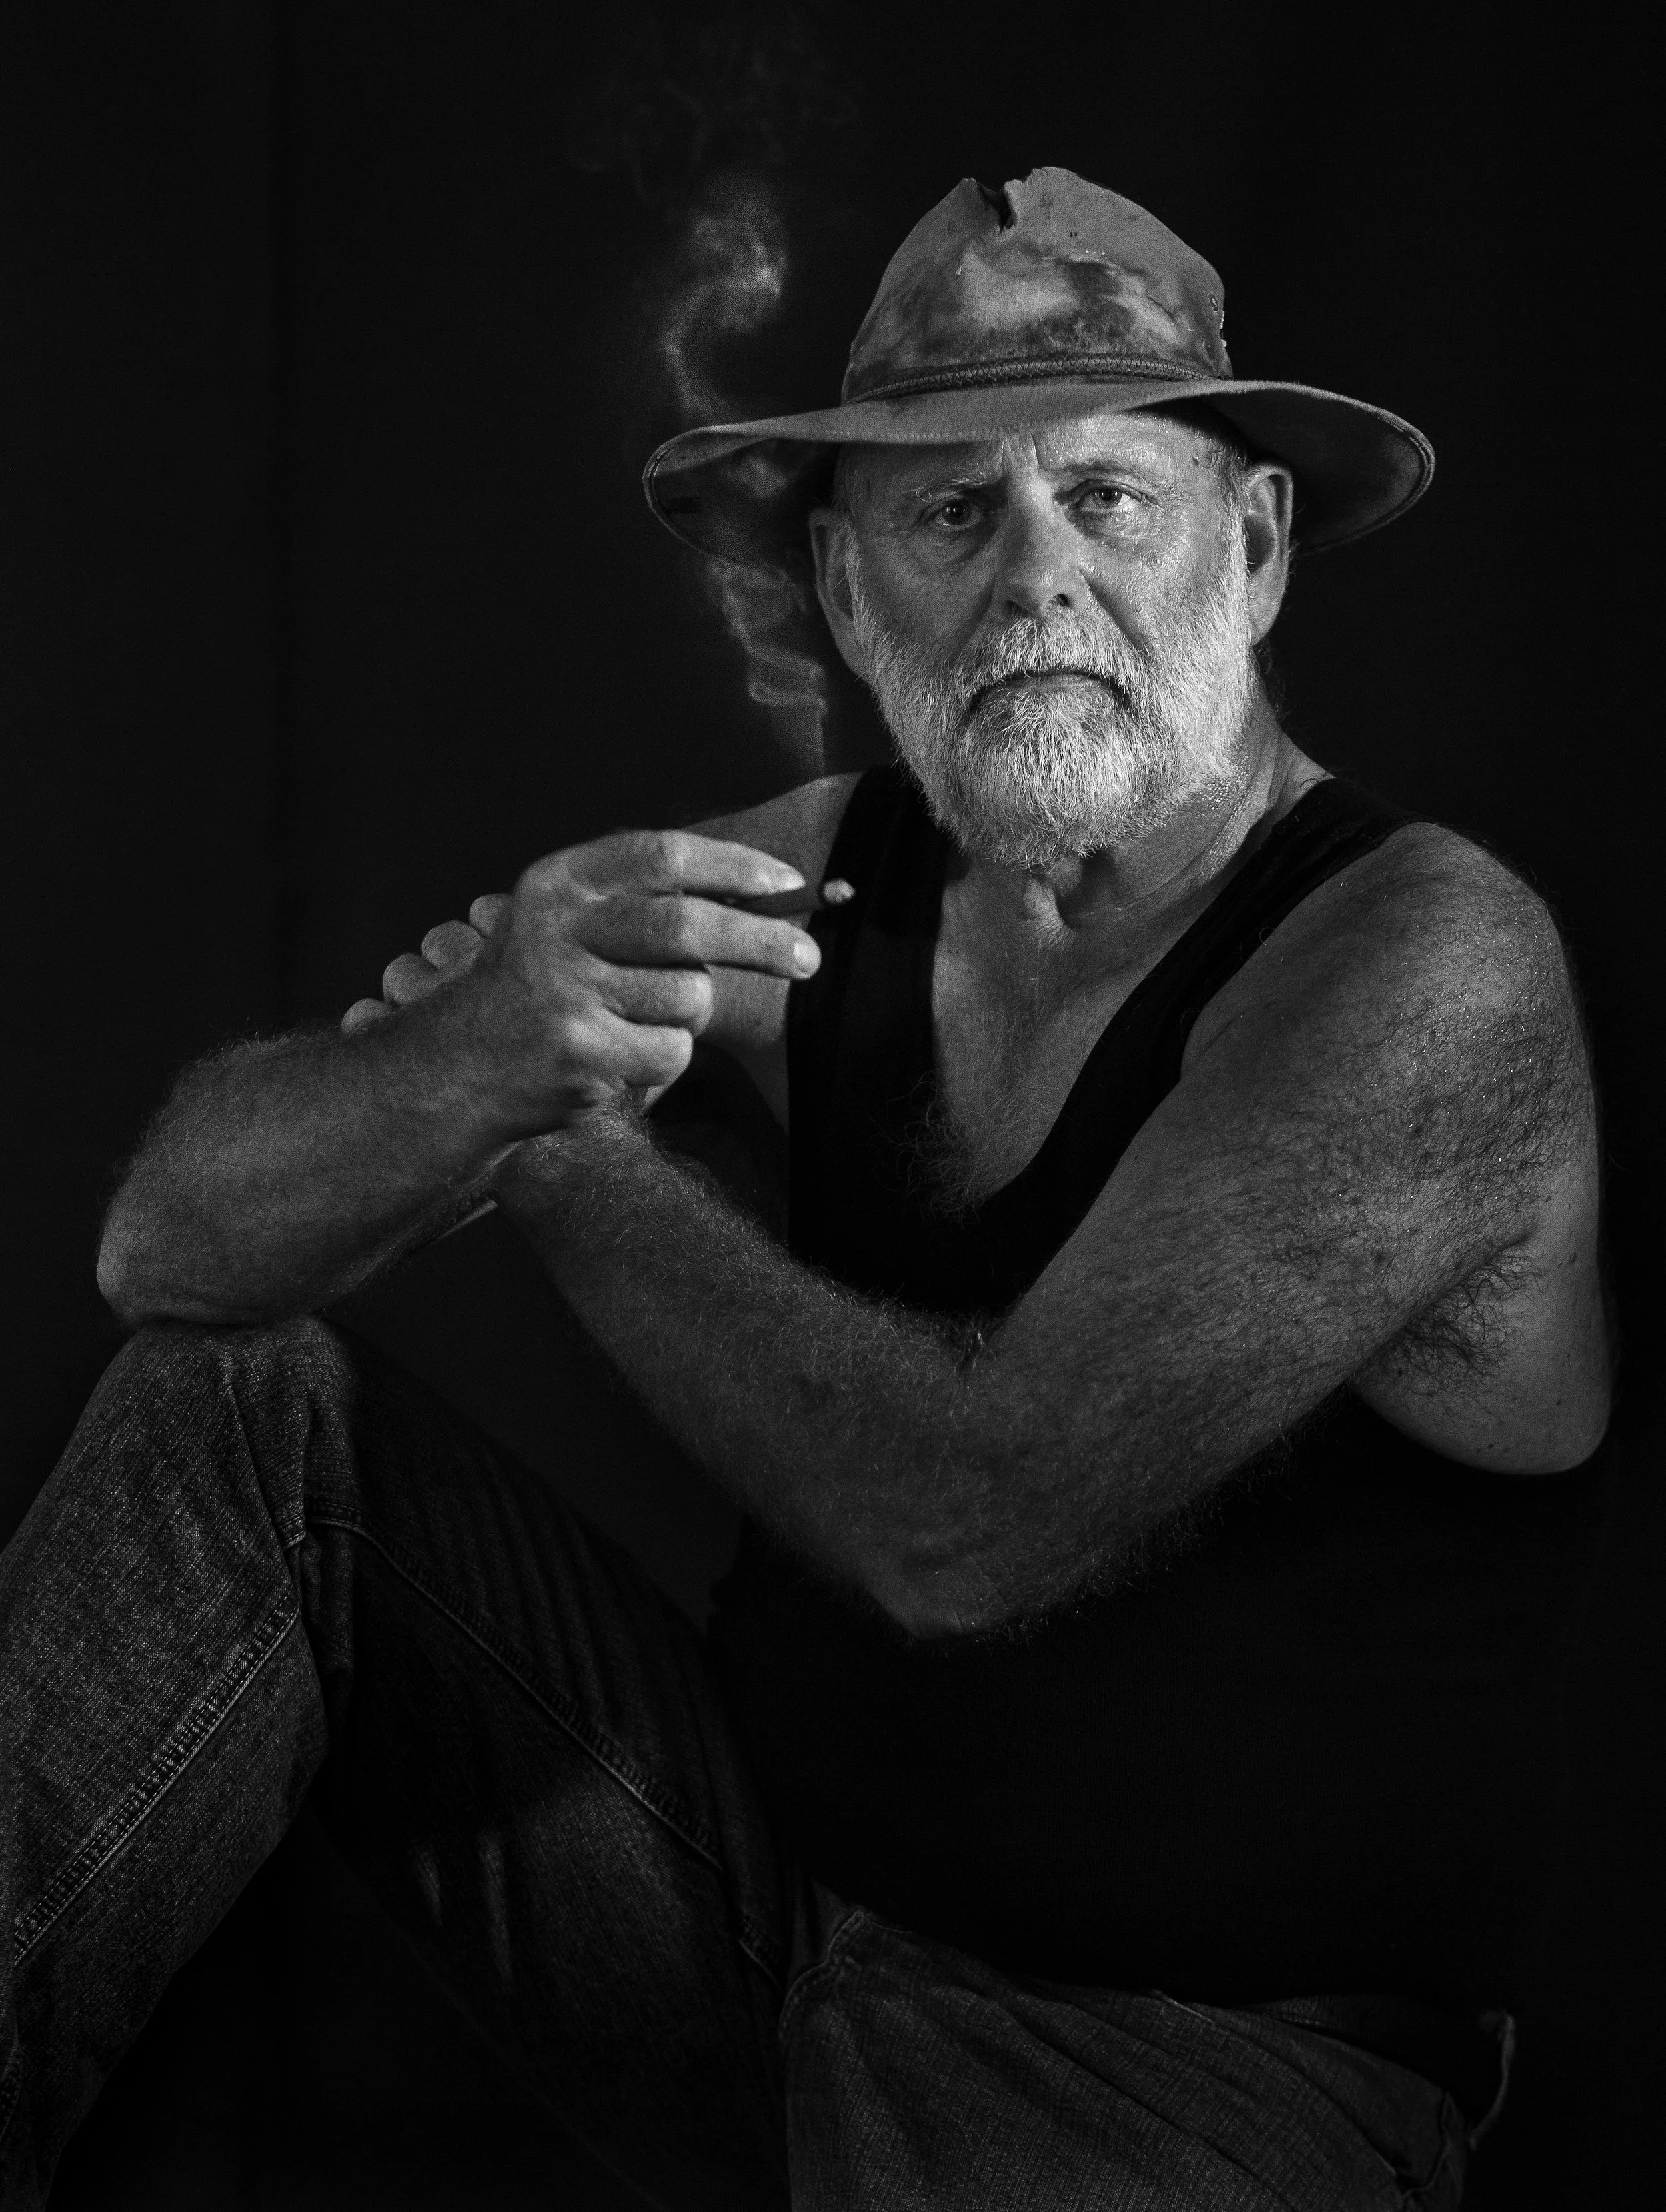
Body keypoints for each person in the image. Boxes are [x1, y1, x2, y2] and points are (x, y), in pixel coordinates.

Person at [0, 169, 1611, 2211]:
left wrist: (557, 1144)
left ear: (1256, 544)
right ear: (851, 596)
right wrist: (459, 1059)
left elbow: (969, 1522)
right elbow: (170, 1240)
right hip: (750, 1931)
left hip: (1176, 2072)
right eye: (951, 515)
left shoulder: (1422, 965)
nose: (1034, 580)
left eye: (1105, 496)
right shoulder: (818, 877)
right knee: (240, 1422)